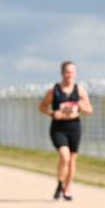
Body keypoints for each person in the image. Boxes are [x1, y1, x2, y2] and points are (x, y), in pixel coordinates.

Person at [38, 60, 93, 200]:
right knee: (65, 156)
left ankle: (67, 188)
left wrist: (80, 107)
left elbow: (89, 110)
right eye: (68, 72)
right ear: (62, 73)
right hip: (58, 128)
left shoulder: (79, 90)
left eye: (73, 72)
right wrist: (52, 113)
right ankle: (59, 184)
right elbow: (42, 107)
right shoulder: (54, 90)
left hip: (74, 127)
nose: (70, 75)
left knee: (72, 160)